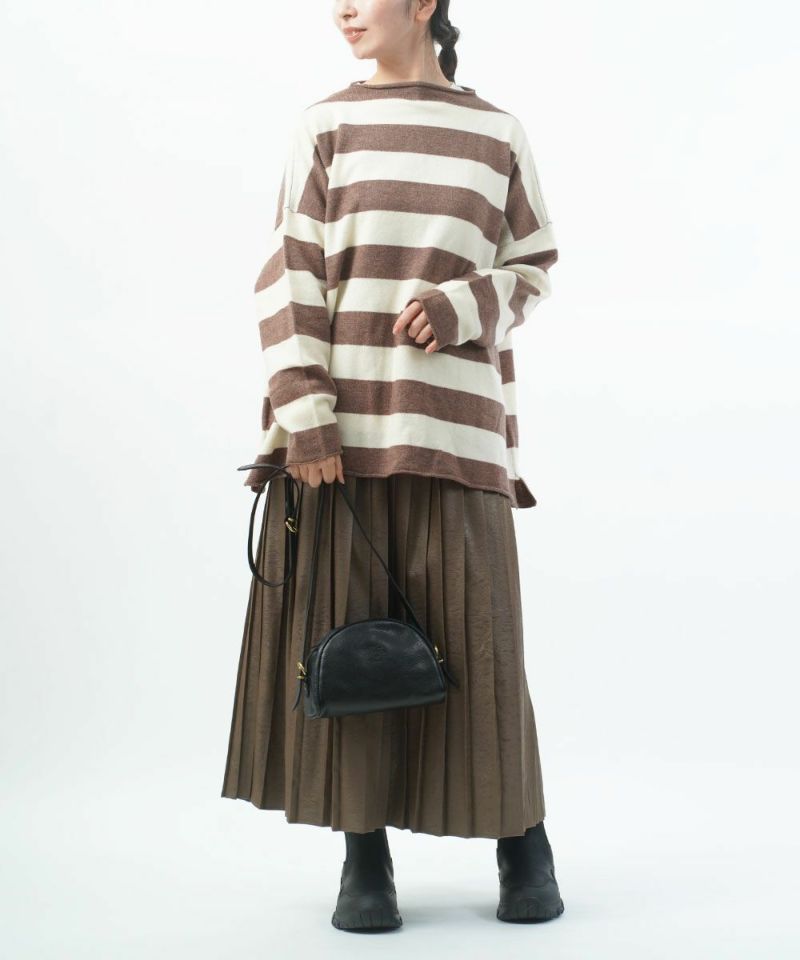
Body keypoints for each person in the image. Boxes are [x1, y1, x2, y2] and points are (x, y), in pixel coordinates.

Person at [221, 0, 565, 931]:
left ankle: (523, 844)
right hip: (341, 439)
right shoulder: (324, 125)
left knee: (483, 647)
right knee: (354, 649)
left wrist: (464, 306)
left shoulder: (497, 133)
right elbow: (288, 272)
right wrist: (306, 418)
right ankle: (363, 859)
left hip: (459, 433)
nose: (342, 8)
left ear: (423, 2)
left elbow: (534, 264)